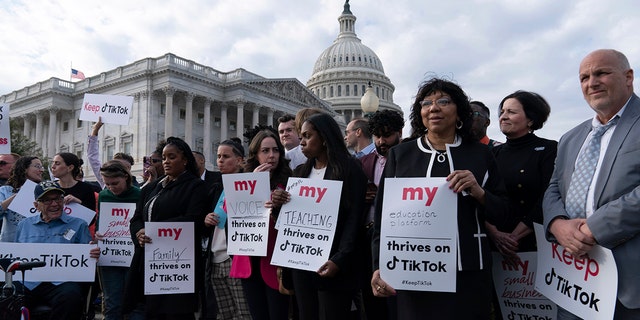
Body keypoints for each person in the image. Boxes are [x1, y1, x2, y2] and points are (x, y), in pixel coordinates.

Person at [370, 78, 508, 319]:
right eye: (426, 103)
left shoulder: (482, 154)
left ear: (459, 112)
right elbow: (383, 220)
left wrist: (480, 193)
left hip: (468, 274)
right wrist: (378, 266)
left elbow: (505, 212)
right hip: (413, 272)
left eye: (443, 101)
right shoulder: (401, 156)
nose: (433, 108)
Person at [543, 49, 640, 319]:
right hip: (575, 283)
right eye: (584, 77)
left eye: (601, 73)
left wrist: (594, 228)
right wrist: (557, 224)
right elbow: (553, 188)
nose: (591, 83)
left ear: (628, 77)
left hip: (630, 285)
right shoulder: (570, 138)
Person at [271, 113, 367, 319]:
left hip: (332, 265)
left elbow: (355, 219)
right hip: (301, 264)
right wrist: (279, 205)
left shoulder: (349, 169)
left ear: (324, 137)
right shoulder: (299, 173)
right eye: (301, 136)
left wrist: (339, 260)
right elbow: (287, 223)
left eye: (307, 136)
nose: (302, 142)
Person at [125, 137, 209, 319]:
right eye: (164, 157)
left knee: (176, 313)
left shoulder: (196, 187)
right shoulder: (151, 188)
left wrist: (154, 230)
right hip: (148, 261)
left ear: (185, 160)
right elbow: (136, 218)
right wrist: (139, 233)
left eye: (172, 157)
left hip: (177, 265)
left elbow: (193, 220)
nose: (166, 161)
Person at [231, 127, 292, 320]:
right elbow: (231, 212)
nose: (271, 155)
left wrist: (278, 205)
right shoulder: (241, 180)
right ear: (255, 154)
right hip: (249, 261)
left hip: (275, 263)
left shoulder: (290, 181)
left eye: (275, 150)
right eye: (265, 151)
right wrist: (255, 182)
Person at [15, 181, 100, 319]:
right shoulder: (24, 225)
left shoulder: (78, 225)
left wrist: (93, 255)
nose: (54, 204)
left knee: (71, 296)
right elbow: (16, 257)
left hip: (62, 282)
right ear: (36, 205)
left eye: (58, 198)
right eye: (47, 200)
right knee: (9, 296)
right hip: (29, 282)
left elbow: (86, 262)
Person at [487, 91, 557, 258]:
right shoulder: (492, 153)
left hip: (533, 246)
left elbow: (549, 196)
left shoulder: (548, 149)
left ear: (531, 119)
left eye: (511, 112)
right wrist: (495, 234)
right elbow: (482, 198)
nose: (503, 117)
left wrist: (513, 237)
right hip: (494, 245)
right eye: (502, 112)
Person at [357, 109, 404, 320]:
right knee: (372, 299)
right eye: (377, 135)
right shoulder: (364, 162)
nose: (381, 141)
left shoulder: (410, 158)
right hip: (370, 237)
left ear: (399, 133)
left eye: (387, 135)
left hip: (400, 239)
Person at [204, 139, 252, 320]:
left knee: (244, 313)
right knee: (224, 314)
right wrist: (206, 219)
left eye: (226, 156)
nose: (220, 161)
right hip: (215, 259)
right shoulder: (216, 187)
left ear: (240, 160)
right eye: (218, 157)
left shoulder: (249, 187)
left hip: (236, 259)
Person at [95, 160, 141, 320]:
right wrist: (98, 234)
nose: (111, 188)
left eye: (115, 183)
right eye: (107, 184)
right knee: (111, 301)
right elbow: (101, 220)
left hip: (133, 255)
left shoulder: (139, 194)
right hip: (109, 255)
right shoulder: (103, 195)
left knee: (135, 301)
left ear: (126, 177)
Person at [192, 150, 222, 320]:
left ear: (202, 161)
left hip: (216, 243)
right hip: (198, 241)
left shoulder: (217, 179)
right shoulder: (188, 182)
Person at [0, 156, 44, 242]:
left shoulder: (45, 191)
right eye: (37, 166)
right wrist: (16, 197)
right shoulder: (6, 190)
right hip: (11, 244)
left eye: (42, 167)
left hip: (36, 243)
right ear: (24, 169)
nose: (41, 170)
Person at [88, 117, 140, 189]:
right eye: (115, 166)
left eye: (120, 167)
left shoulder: (137, 189)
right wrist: (95, 130)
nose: (111, 187)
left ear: (128, 168)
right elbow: (93, 158)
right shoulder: (106, 178)